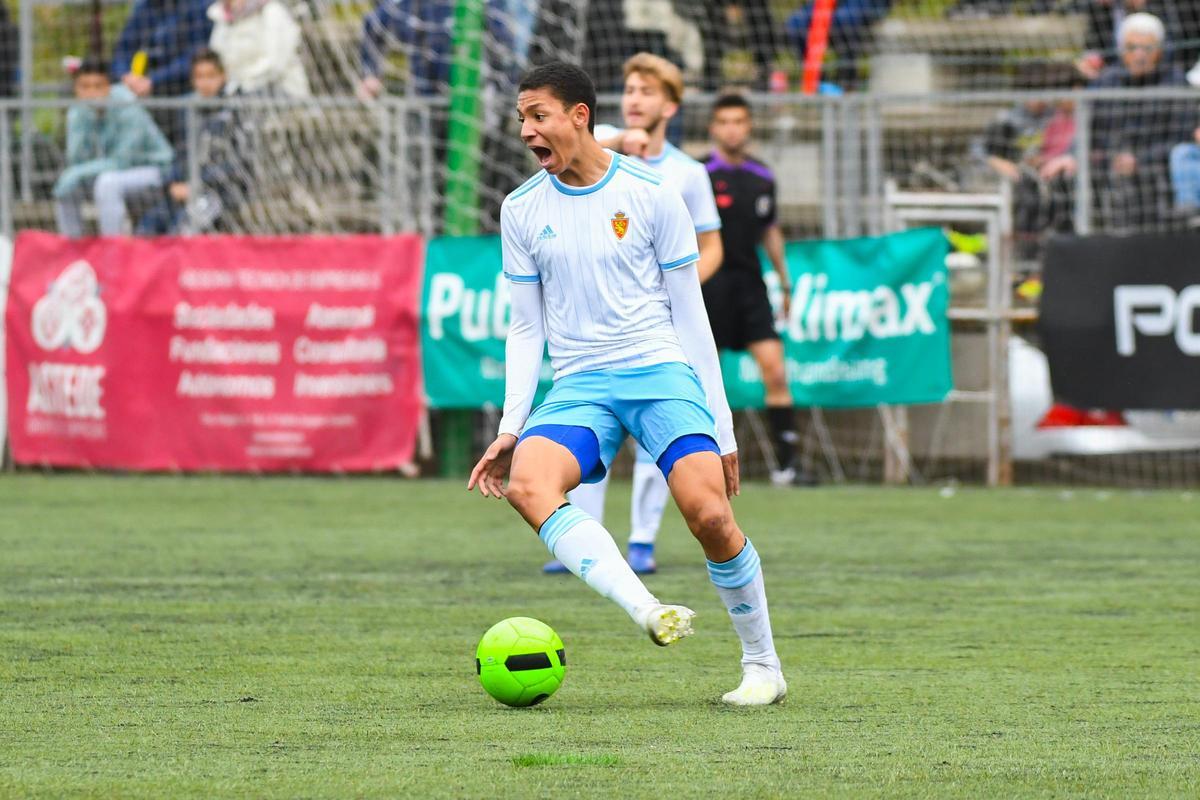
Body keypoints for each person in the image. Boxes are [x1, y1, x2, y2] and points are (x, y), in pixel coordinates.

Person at [468, 61, 786, 706]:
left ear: (579, 116)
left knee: (710, 515)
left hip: (660, 370)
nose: (527, 131)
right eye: (521, 118)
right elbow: (526, 330)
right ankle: (647, 609)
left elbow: (691, 319)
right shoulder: (521, 209)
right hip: (582, 381)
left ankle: (763, 666)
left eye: (538, 116)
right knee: (529, 484)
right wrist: (510, 427)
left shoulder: (652, 192)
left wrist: (722, 431)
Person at [542, 52, 723, 576]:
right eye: (630, 89)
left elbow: (711, 248)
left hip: (656, 327)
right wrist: (620, 140)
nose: (636, 99)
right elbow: (597, 138)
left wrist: (675, 293)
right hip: (592, 329)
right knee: (589, 436)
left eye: (647, 91)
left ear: (671, 104)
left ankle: (642, 539)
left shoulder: (687, 175)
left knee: (657, 436)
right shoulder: (595, 149)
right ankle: (585, 541)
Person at [703, 93, 817, 488]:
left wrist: (784, 281)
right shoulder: (698, 173)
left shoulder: (763, 176)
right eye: (724, 121)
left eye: (739, 121)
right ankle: (700, 464)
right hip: (708, 287)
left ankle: (786, 466)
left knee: (775, 370)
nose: (732, 128)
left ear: (749, 127)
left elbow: (770, 230)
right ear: (713, 128)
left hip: (750, 286)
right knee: (701, 378)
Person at [53, 58, 174, 238]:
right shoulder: (78, 113)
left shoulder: (127, 106)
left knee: (107, 183)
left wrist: (77, 172)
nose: (92, 93)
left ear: (109, 86)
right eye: (84, 87)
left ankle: (112, 248)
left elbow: (122, 160)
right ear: (76, 89)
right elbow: (76, 160)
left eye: (98, 86)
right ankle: (72, 249)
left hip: (154, 170)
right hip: (110, 172)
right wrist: (84, 120)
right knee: (67, 186)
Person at [137, 49, 253, 234]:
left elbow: (240, 162)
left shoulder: (236, 110)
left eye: (211, 76)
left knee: (182, 231)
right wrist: (173, 181)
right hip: (186, 189)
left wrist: (197, 184)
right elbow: (181, 152)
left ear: (223, 76)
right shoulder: (188, 110)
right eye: (199, 76)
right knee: (147, 228)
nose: (205, 82)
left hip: (221, 191)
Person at [111, 0, 214, 99]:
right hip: (141, 86)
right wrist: (126, 76)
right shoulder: (144, 6)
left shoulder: (198, 5)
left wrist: (153, 80)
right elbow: (123, 49)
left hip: (183, 88)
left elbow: (196, 56)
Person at [207, 0, 310, 98]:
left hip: (281, 92)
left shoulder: (272, 11)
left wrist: (241, 83)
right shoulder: (221, 17)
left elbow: (275, 63)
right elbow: (216, 56)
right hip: (237, 93)